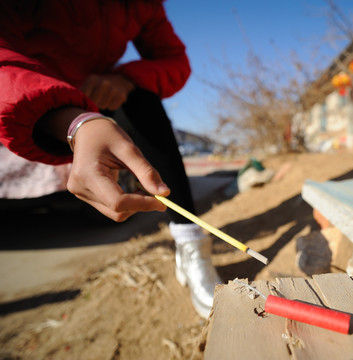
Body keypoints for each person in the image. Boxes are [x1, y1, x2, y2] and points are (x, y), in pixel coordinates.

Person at [0, 0, 221, 318]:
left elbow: (174, 60)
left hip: (100, 97)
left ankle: (190, 244)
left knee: (141, 99)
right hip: (34, 102)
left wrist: (125, 79)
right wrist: (75, 122)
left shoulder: (144, 6)